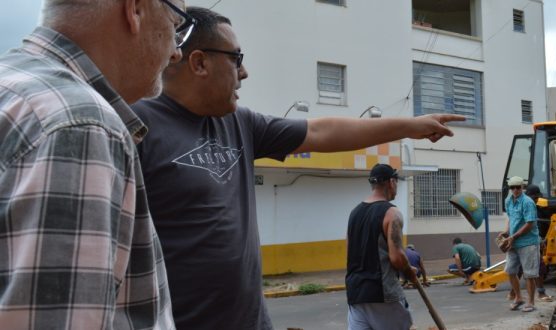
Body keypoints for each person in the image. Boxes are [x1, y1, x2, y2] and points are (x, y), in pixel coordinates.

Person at [130, 7, 465, 329]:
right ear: (200, 62)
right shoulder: (134, 124)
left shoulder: (239, 124)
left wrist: (410, 126)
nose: (244, 73)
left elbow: (322, 131)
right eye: (236, 59)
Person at [0, 0, 187, 328]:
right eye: (176, 25)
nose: (176, 53)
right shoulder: (81, 122)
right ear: (136, 10)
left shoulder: (13, 87)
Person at [346, 164, 416, 330]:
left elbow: (349, 251)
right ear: (391, 182)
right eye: (396, 182)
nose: (396, 188)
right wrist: (409, 271)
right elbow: (397, 257)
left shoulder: (354, 213)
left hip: (356, 294)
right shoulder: (392, 213)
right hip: (382, 293)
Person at [499, 176, 540, 312]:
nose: (515, 190)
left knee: (529, 274)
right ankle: (518, 297)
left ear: (522, 187)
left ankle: (531, 302)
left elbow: (529, 224)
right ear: (510, 189)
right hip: (513, 242)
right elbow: (511, 218)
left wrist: (514, 236)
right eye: (513, 188)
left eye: (518, 187)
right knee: (510, 271)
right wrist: (506, 231)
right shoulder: (508, 201)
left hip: (528, 242)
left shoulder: (528, 202)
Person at [525, 184, 553, 302]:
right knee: (538, 269)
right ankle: (538, 295)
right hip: (530, 242)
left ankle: (515, 295)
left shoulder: (533, 206)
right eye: (536, 197)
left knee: (524, 269)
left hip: (531, 241)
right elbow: (530, 225)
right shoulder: (530, 207)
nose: (537, 200)